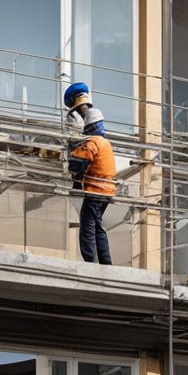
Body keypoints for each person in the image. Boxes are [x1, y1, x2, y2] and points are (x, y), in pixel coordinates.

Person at [68, 107, 116, 265]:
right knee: (97, 226)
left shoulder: (94, 142)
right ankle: (105, 262)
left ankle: (91, 262)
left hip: (96, 191)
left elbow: (78, 162)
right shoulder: (106, 143)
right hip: (107, 192)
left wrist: (72, 150)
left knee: (87, 226)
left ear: (89, 126)